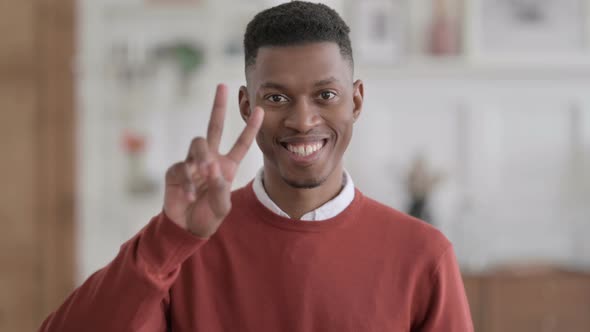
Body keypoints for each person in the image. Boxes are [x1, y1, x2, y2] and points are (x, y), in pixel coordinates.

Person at [40, 2, 473, 331]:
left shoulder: (424, 257)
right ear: (247, 106)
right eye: (277, 98)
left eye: (325, 95)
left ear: (355, 100)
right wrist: (168, 239)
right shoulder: (182, 246)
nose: (303, 121)